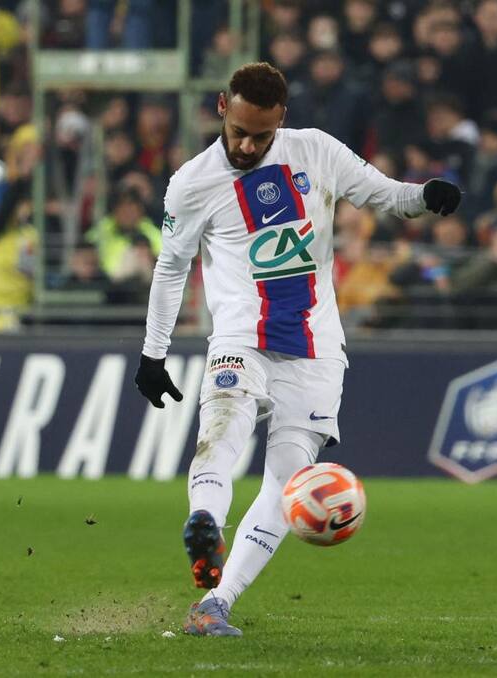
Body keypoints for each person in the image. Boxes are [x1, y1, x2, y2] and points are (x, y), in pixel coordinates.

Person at [133, 62, 460, 637]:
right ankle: (204, 521)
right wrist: (153, 354)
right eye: (239, 131)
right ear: (221, 109)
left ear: (282, 119)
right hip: (241, 334)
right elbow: (171, 267)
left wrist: (426, 196)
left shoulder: (315, 151)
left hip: (316, 347)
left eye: (261, 134)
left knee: (288, 479)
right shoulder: (192, 182)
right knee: (224, 422)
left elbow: (384, 194)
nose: (248, 144)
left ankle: (216, 605)